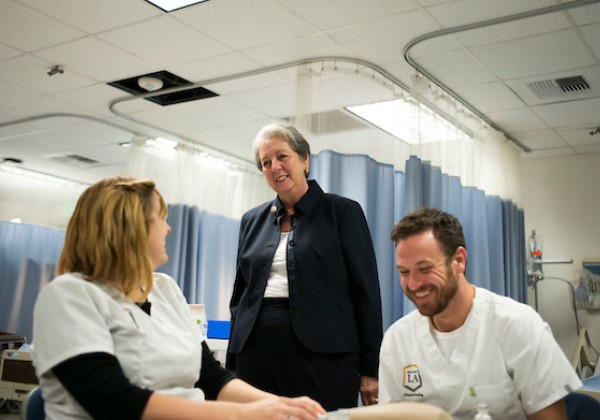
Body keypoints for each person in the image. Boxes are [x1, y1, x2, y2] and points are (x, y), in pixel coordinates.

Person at [32, 175, 326, 420]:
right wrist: (241, 414)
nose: (169, 228)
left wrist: (280, 405)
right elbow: (114, 401)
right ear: (130, 229)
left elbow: (211, 377)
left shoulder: (164, 288)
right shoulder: (69, 295)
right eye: (161, 218)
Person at [226, 123, 382, 411]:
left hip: (324, 356)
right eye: (266, 162)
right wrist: (233, 361)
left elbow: (366, 293)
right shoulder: (252, 220)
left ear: (304, 159)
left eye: (282, 156)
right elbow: (240, 296)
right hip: (255, 351)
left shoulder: (342, 212)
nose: (275, 167)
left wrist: (370, 368)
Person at [379, 207, 583, 420]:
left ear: (459, 260)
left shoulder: (517, 325)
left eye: (425, 269)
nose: (413, 283)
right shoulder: (397, 339)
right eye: (404, 272)